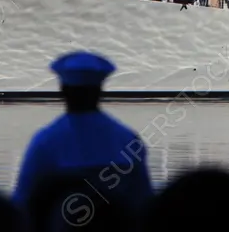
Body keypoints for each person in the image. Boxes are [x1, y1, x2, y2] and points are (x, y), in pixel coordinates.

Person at [12, 52, 153, 212]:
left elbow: (22, 201)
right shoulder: (127, 139)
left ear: (63, 90)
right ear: (100, 90)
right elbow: (145, 201)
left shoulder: (46, 141)